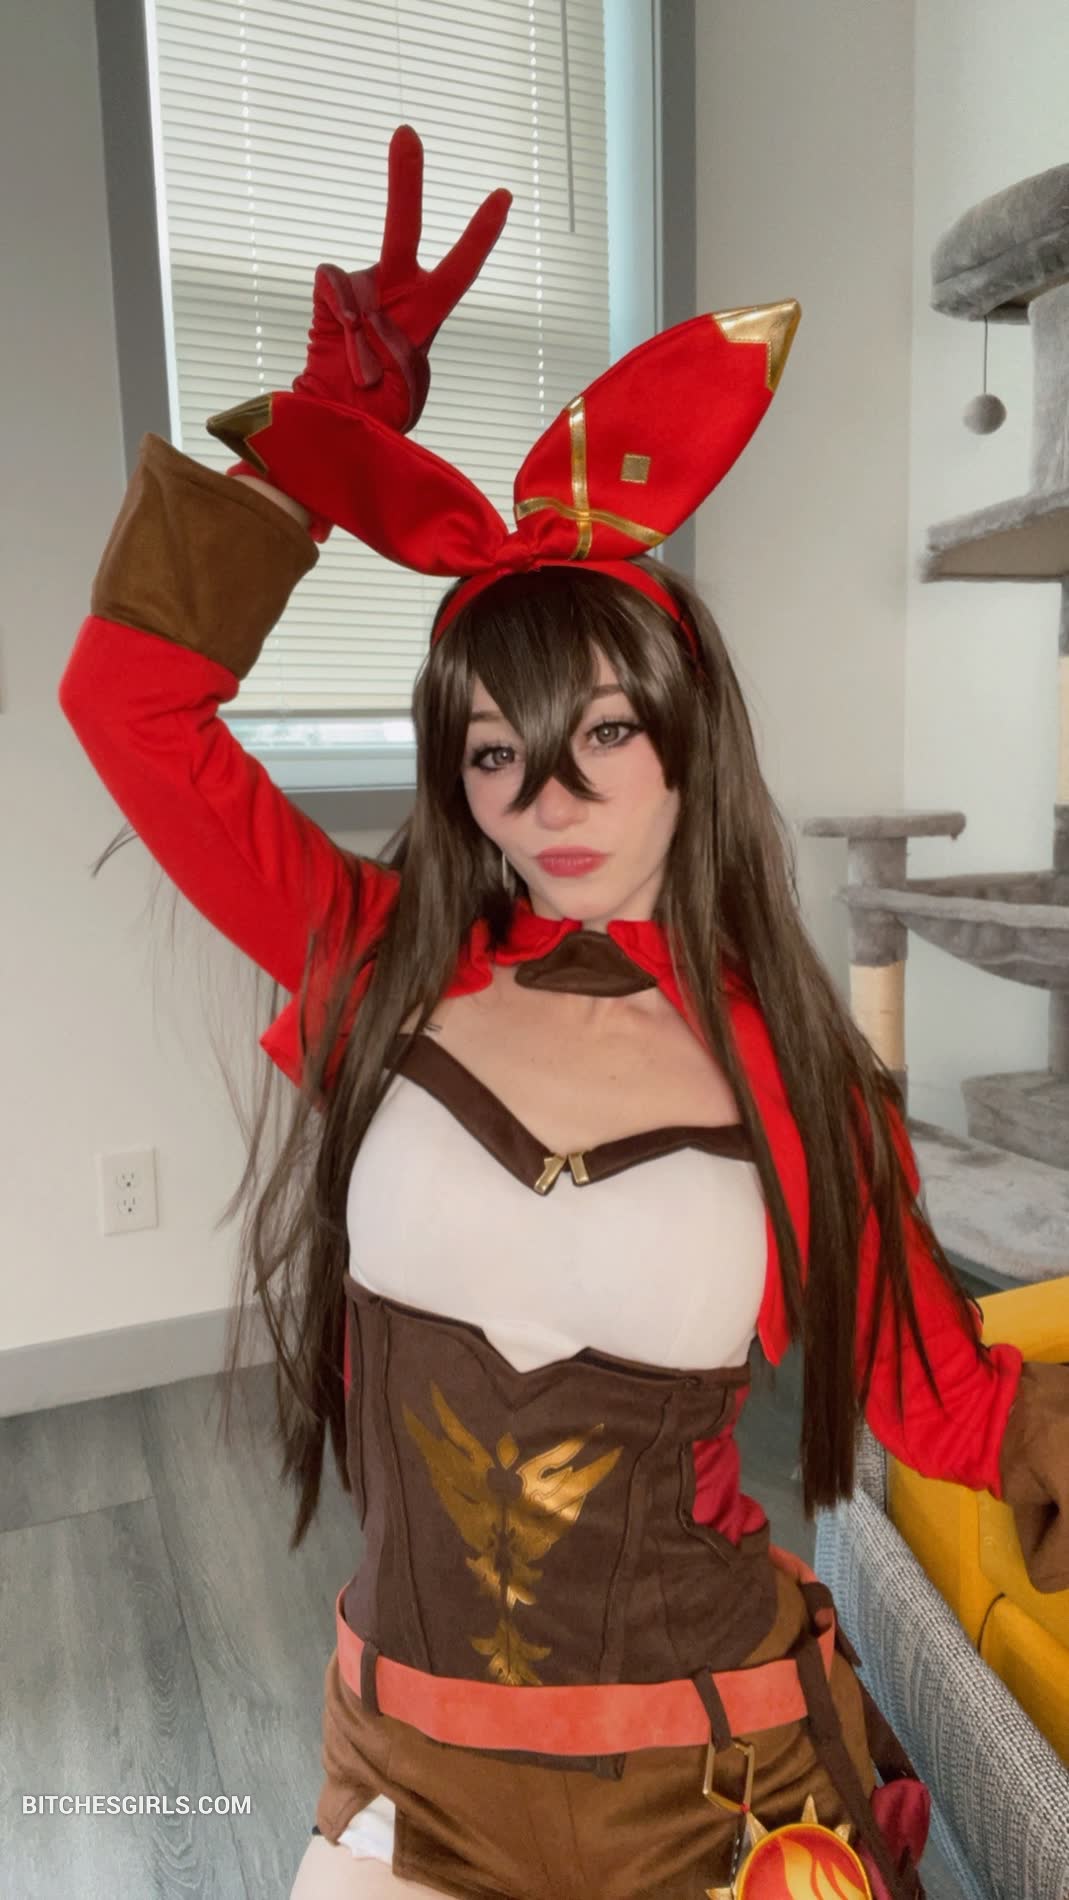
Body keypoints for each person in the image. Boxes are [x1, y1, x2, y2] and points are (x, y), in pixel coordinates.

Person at [58, 127, 1068, 1900]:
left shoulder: (791, 1072)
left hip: (721, 1783)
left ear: (687, 736)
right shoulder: (377, 965)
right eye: (494, 749)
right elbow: (127, 699)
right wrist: (318, 434)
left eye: (604, 729)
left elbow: (950, 1406)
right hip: (407, 1776)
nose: (551, 796)